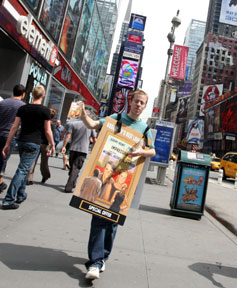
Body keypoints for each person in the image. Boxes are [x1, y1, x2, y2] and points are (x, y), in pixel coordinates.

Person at [78, 89, 156, 280]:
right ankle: (95, 262)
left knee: (112, 223)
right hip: (105, 177)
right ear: (131, 101)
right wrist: (83, 115)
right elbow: (93, 124)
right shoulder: (116, 118)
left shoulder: (144, 129)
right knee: (98, 217)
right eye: (136, 101)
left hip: (125, 181)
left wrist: (141, 153)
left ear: (145, 106)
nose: (138, 105)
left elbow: (152, 151)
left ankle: (103, 257)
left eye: (142, 103)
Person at [1, 85, 55, 210]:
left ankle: (21, 194)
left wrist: (8, 143)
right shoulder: (45, 111)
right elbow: (47, 131)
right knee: (22, 170)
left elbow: (14, 127)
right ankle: (9, 199)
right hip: (34, 142)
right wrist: (52, 144)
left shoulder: (23, 108)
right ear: (43, 96)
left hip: (21, 141)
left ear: (32, 94)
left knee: (24, 168)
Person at [61, 112, 97, 193]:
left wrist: (64, 146)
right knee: (76, 168)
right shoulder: (91, 126)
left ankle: (72, 182)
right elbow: (94, 139)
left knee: (73, 167)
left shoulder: (73, 124)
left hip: (73, 148)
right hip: (83, 150)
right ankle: (69, 187)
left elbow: (68, 136)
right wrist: (96, 150)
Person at [27, 108, 56, 185]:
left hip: (37, 142)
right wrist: (51, 145)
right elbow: (51, 135)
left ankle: (29, 178)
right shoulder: (51, 125)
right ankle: (45, 175)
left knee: (33, 161)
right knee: (44, 163)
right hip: (46, 145)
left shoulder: (40, 122)